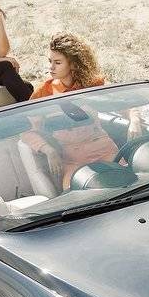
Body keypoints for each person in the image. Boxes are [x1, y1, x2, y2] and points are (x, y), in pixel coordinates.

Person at [19, 33, 121, 190]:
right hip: (72, 160)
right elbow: (26, 131)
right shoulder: (43, 92)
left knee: (126, 183)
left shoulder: (93, 84)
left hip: (104, 150)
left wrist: (134, 120)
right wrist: (49, 150)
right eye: (50, 61)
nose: (51, 67)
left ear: (73, 64)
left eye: (57, 62)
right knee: (72, 193)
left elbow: (123, 101)